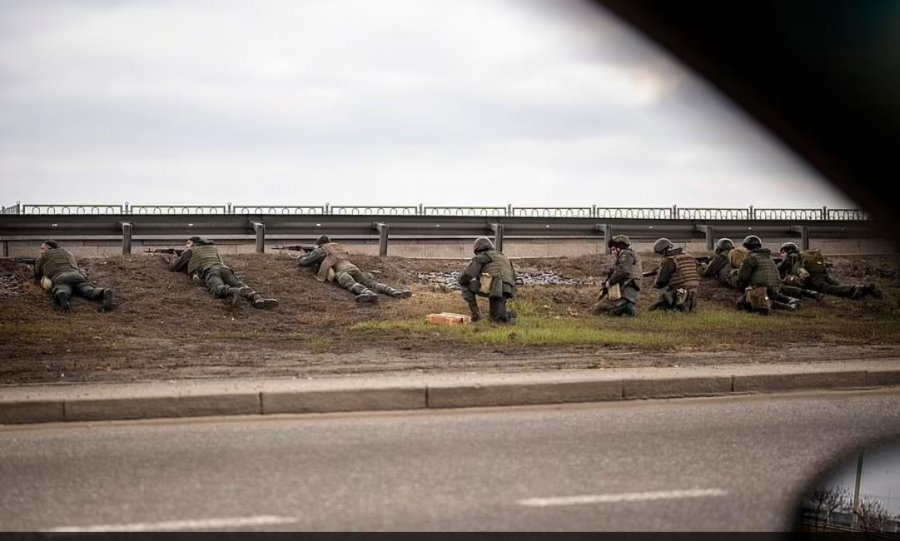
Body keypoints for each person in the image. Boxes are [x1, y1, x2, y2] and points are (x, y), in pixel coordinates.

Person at [168, 236, 278, 309]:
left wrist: (173, 256)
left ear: (194, 244)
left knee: (217, 288)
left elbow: (174, 267)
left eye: (188, 243)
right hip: (224, 269)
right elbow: (220, 261)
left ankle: (234, 291)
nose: (186, 246)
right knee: (240, 283)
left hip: (209, 271)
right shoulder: (213, 249)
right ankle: (256, 297)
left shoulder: (190, 251)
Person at [297, 234, 412, 303]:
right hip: (352, 267)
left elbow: (304, 262)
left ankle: (367, 294)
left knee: (349, 282)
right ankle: (394, 292)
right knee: (371, 282)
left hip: (341, 271)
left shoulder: (321, 250)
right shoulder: (337, 247)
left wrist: (302, 255)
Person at [777, 242, 882, 300]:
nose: (781, 255)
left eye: (782, 252)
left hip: (814, 278)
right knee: (836, 286)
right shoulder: (800, 256)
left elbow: (778, 271)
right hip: (822, 274)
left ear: (788, 251)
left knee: (830, 289)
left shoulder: (790, 259)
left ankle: (858, 290)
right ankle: (862, 290)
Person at [33, 239, 115, 312]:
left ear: (50, 248)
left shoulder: (43, 257)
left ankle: (62, 295)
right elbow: (77, 267)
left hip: (60, 278)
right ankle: (103, 292)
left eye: (43, 248)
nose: (41, 251)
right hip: (77, 276)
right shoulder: (68, 254)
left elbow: (37, 273)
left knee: (63, 288)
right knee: (88, 290)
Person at [457, 237, 518, 322]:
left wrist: (460, 279)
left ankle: (476, 314)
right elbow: (514, 277)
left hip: (496, 287)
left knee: (465, 285)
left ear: (477, 249)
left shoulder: (482, 257)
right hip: (508, 288)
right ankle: (508, 317)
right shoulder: (503, 257)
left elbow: (468, 275)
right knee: (496, 315)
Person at [734, 235, 798, 314]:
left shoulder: (750, 258)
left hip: (761, 291)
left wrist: (740, 287)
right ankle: (775, 303)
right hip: (775, 290)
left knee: (741, 303)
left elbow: (742, 277)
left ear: (746, 247)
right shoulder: (768, 257)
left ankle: (782, 306)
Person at [592, 234, 642, 317]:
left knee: (598, 310)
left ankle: (626, 308)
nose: (613, 252)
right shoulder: (630, 256)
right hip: (627, 292)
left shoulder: (626, 255)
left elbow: (623, 271)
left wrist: (610, 282)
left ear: (620, 248)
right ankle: (625, 309)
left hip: (625, 293)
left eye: (614, 249)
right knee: (599, 308)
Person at [648, 238, 700, 312]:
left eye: (660, 253)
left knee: (658, 307)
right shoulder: (689, 257)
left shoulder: (668, 261)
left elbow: (661, 282)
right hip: (693, 291)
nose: (661, 256)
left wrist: (654, 284)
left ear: (663, 251)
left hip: (679, 291)